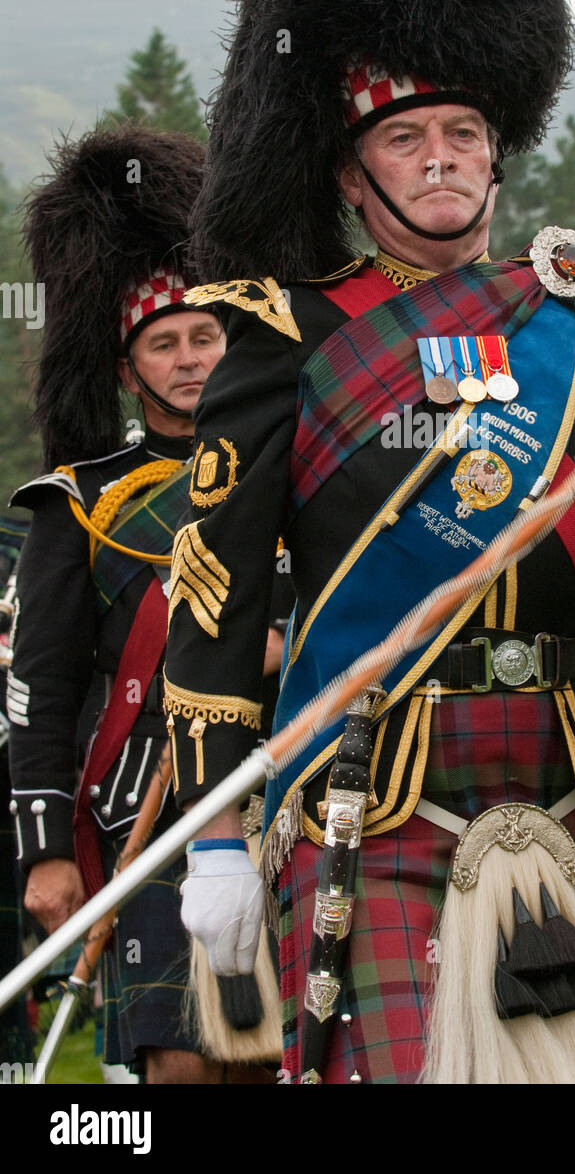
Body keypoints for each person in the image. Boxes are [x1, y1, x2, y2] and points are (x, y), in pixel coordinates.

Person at [165, 0, 575, 1085]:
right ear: (350, 169)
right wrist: (215, 835)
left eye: (466, 131)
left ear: (500, 148)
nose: (441, 157)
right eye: (406, 135)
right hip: (379, 785)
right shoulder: (285, 339)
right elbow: (211, 614)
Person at [6, 124, 238, 1084]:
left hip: (289, 797)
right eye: (164, 342)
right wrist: (44, 850)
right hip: (144, 812)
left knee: (270, 1061)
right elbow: (42, 688)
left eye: (205, 335)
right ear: (127, 362)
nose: (189, 360)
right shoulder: (81, 502)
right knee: (177, 1068)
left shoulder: (288, 479)